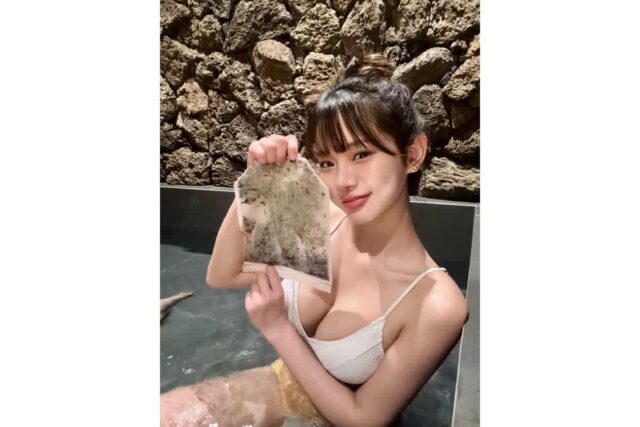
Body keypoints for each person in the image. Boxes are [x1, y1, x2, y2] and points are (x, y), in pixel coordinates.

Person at [160, 53, 469, 427]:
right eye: (327, 162)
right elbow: (223, 275)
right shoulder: (326, 222)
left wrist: (277, 327)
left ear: (413, 154)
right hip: (281, 387)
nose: (343, 181)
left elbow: (363, 419)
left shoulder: (436, 304)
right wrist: (255, 184)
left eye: (362, 154)